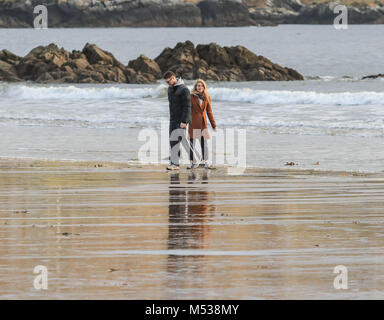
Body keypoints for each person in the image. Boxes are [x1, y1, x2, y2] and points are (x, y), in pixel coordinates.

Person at [163, 71, 192, 170]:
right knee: (173, 141)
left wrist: (184, 121)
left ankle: (195, 158)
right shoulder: (170, 89)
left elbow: (187, 107)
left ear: (173, 78)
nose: (168, 84)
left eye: (168, 82)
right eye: (166, 82)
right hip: (172, 120)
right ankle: (174, 164)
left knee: (183, 141)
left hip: (181, 120)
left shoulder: (184, 89)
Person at [188, 79, 217, 169]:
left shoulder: (207, 96)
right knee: (192, 143)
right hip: (193, 123)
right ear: (195, 87)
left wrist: (213, 125)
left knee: (203, 143)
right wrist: (184, 121)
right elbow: (187, 110)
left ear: (204, 87)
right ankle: (192, 162)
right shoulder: (191, 96)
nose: (200, 87)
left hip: (203, 123)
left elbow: (209, 112)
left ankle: (206, 161)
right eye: (198, 86)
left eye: (201, 86)